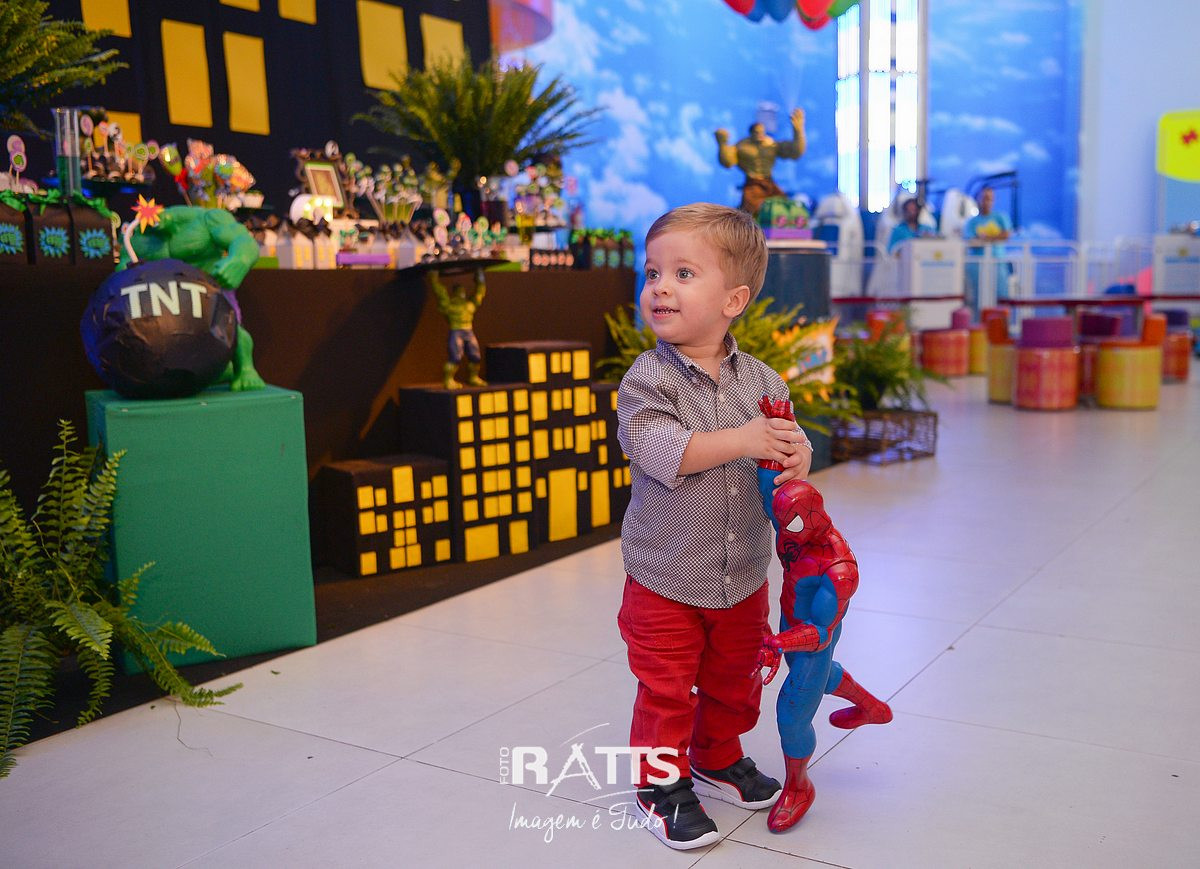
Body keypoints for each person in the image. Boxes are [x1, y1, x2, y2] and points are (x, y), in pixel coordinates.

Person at [616, 203, 813, 850]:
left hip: (743, 572)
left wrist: (795, 454)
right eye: (652, 272)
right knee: (666, 686)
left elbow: (786, 441)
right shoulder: (647, 380)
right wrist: (745, 439)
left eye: (683, 273)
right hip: (666, 575)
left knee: (736, 678)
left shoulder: (762, 380)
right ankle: (659, 783)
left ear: (734, 300)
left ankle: (717, 753)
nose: (660, 287)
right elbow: (663, 451)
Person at [715, 109, 807, 217]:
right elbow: (728, 162)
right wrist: (722, 144)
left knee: (783, 207)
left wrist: (798, 131)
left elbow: (794, 152)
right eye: (756, 132)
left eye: (762, 132)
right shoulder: (742, 146)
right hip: (752, 184)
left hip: (769, 182)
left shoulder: (770, 144)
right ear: (751, 133)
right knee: (750, 211)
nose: (760, 134)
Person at [427, 267, 486, 389]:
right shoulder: (450, 306)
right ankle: (448, 380)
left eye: (462, 291)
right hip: (456, 331)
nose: (461, 294)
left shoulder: (468, 305)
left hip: (468, 331)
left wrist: (480, 277)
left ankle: (473, 377)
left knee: (475, 356)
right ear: (455, 293)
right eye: (459, 291)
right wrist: (434, 278)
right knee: (455, 357)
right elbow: (441, 294)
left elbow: (479, 293)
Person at [962, 186, 1014, 305]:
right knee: (978, 298)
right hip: (977, 266)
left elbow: (1006, 234)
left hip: (998, 263)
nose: (987, 202)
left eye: (990, 199)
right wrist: (994, 237)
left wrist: (986, 238)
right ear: (978, 199)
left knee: (1001, 296)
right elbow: (971, 241)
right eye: (984, 198)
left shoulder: (1000, 217)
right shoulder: (971, 222)